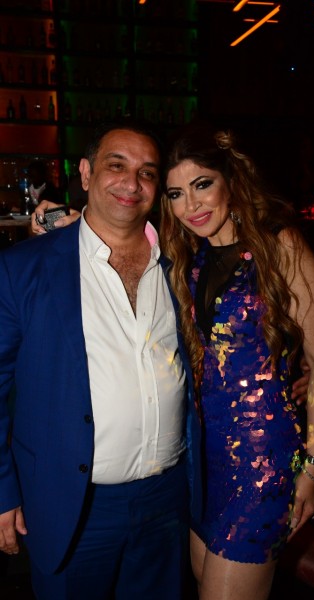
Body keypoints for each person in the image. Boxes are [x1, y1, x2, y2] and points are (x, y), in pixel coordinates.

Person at [0, 120, 204, 600]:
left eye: (147, 172)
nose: (132, 183)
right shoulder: (23, 267)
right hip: (71, 503)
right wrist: (3, 491)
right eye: (117, 165)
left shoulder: (183, 263)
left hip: (168, 499)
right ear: (86, 173)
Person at [159, 124, 314, 600]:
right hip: (204, 464)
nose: (191, 205)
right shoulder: (188, 257)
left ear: (230, 180)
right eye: (176, 194)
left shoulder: (280, 244)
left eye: (202, 185)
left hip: (263, 463)